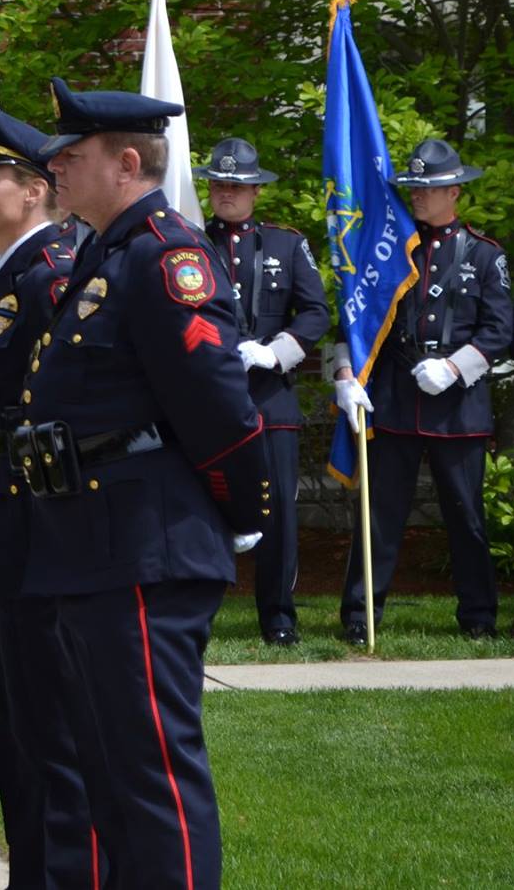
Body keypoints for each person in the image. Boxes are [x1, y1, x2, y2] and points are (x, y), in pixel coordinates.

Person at [28, 78, 273, 890]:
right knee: (107, 767)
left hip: (146, 543)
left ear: (126, 162)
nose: (56, 166)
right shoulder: (105, 254)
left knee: (153, 772)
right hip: (95, 540)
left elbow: (220, 406)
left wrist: (240, 508)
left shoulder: (167, 255)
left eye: (73, 154)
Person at [0, 107, 100, 889]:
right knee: (15, 722)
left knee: (50, 726)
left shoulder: (48, 277)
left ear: (36, 191)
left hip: (31, 519)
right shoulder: (4, 276)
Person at [336, 137, 511, 643]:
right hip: (395, 401)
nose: (416, 196)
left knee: (465, 518)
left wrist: (454, 369)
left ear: (454, 192)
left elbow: (498, 332)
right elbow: (360, 319)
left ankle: (478, 616)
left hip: (458, 408)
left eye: (427, 188)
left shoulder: (483, 254)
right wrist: (348, 374)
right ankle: (360, 614)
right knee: (380, 517)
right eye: (412, 187)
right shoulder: (392, 253)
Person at [194, 136, 332, 646]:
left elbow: (316, 312)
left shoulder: (286, 244)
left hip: (270, 397)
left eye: (237, 184)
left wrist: (278, 352)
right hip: (208, 400)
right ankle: (199, 615)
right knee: (206, 508)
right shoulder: (191, 243)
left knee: (277, 512)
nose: (227, 192)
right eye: (218, 183)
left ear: (255, 191)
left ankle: (278, 617)